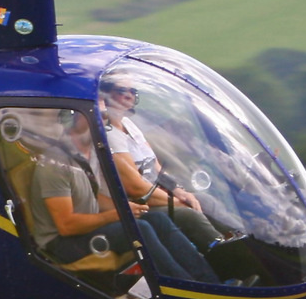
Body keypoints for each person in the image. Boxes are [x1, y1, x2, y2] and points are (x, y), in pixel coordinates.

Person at [29, 109, 218, 283]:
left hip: (87, 230)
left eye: (105, 117)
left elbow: (93, 197)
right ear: (73, 119)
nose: (105, 121)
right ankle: (185, 287)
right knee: (140, 228)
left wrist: (126, 207)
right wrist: (119, 213)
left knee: (158, 219)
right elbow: (66, 226)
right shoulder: (56, 164)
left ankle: (208, 281)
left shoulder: (90, 154)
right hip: (61, 245)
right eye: (100, 115)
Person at [99, 80, 227, 251]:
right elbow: (134, 188)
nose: (129, 95)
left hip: (156, 196)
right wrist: (176, 202)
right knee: (189, 215)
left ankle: (240, 240)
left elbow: (155, 166)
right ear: (106, 95)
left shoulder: (129, 124)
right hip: (139, 205)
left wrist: (179, 191)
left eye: (132, 90)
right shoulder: (110, 135)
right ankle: (224, 254)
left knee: (207, 201)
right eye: (122, 90)